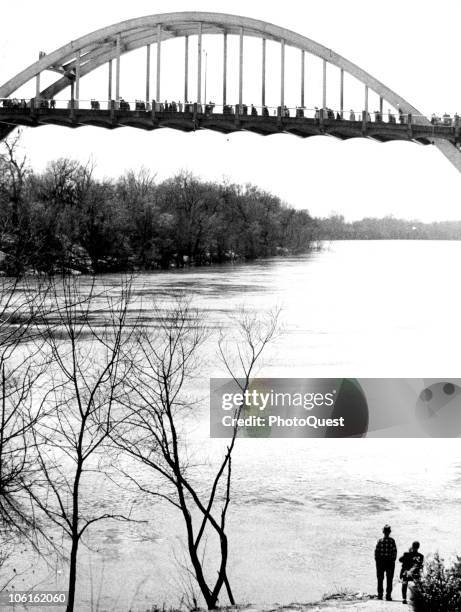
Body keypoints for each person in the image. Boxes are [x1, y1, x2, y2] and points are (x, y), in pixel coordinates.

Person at [375, 524, 397, 601]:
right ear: (389, 532)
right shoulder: (392, 541)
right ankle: (388, 595)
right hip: (390, 562)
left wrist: (377, 562)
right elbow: (394, 552)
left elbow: (376, 553)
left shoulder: (380, 541)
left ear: (383, 532)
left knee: (380, 579)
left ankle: (380, 595)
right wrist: (393, 560)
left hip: (381, 561)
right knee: (389, 579)